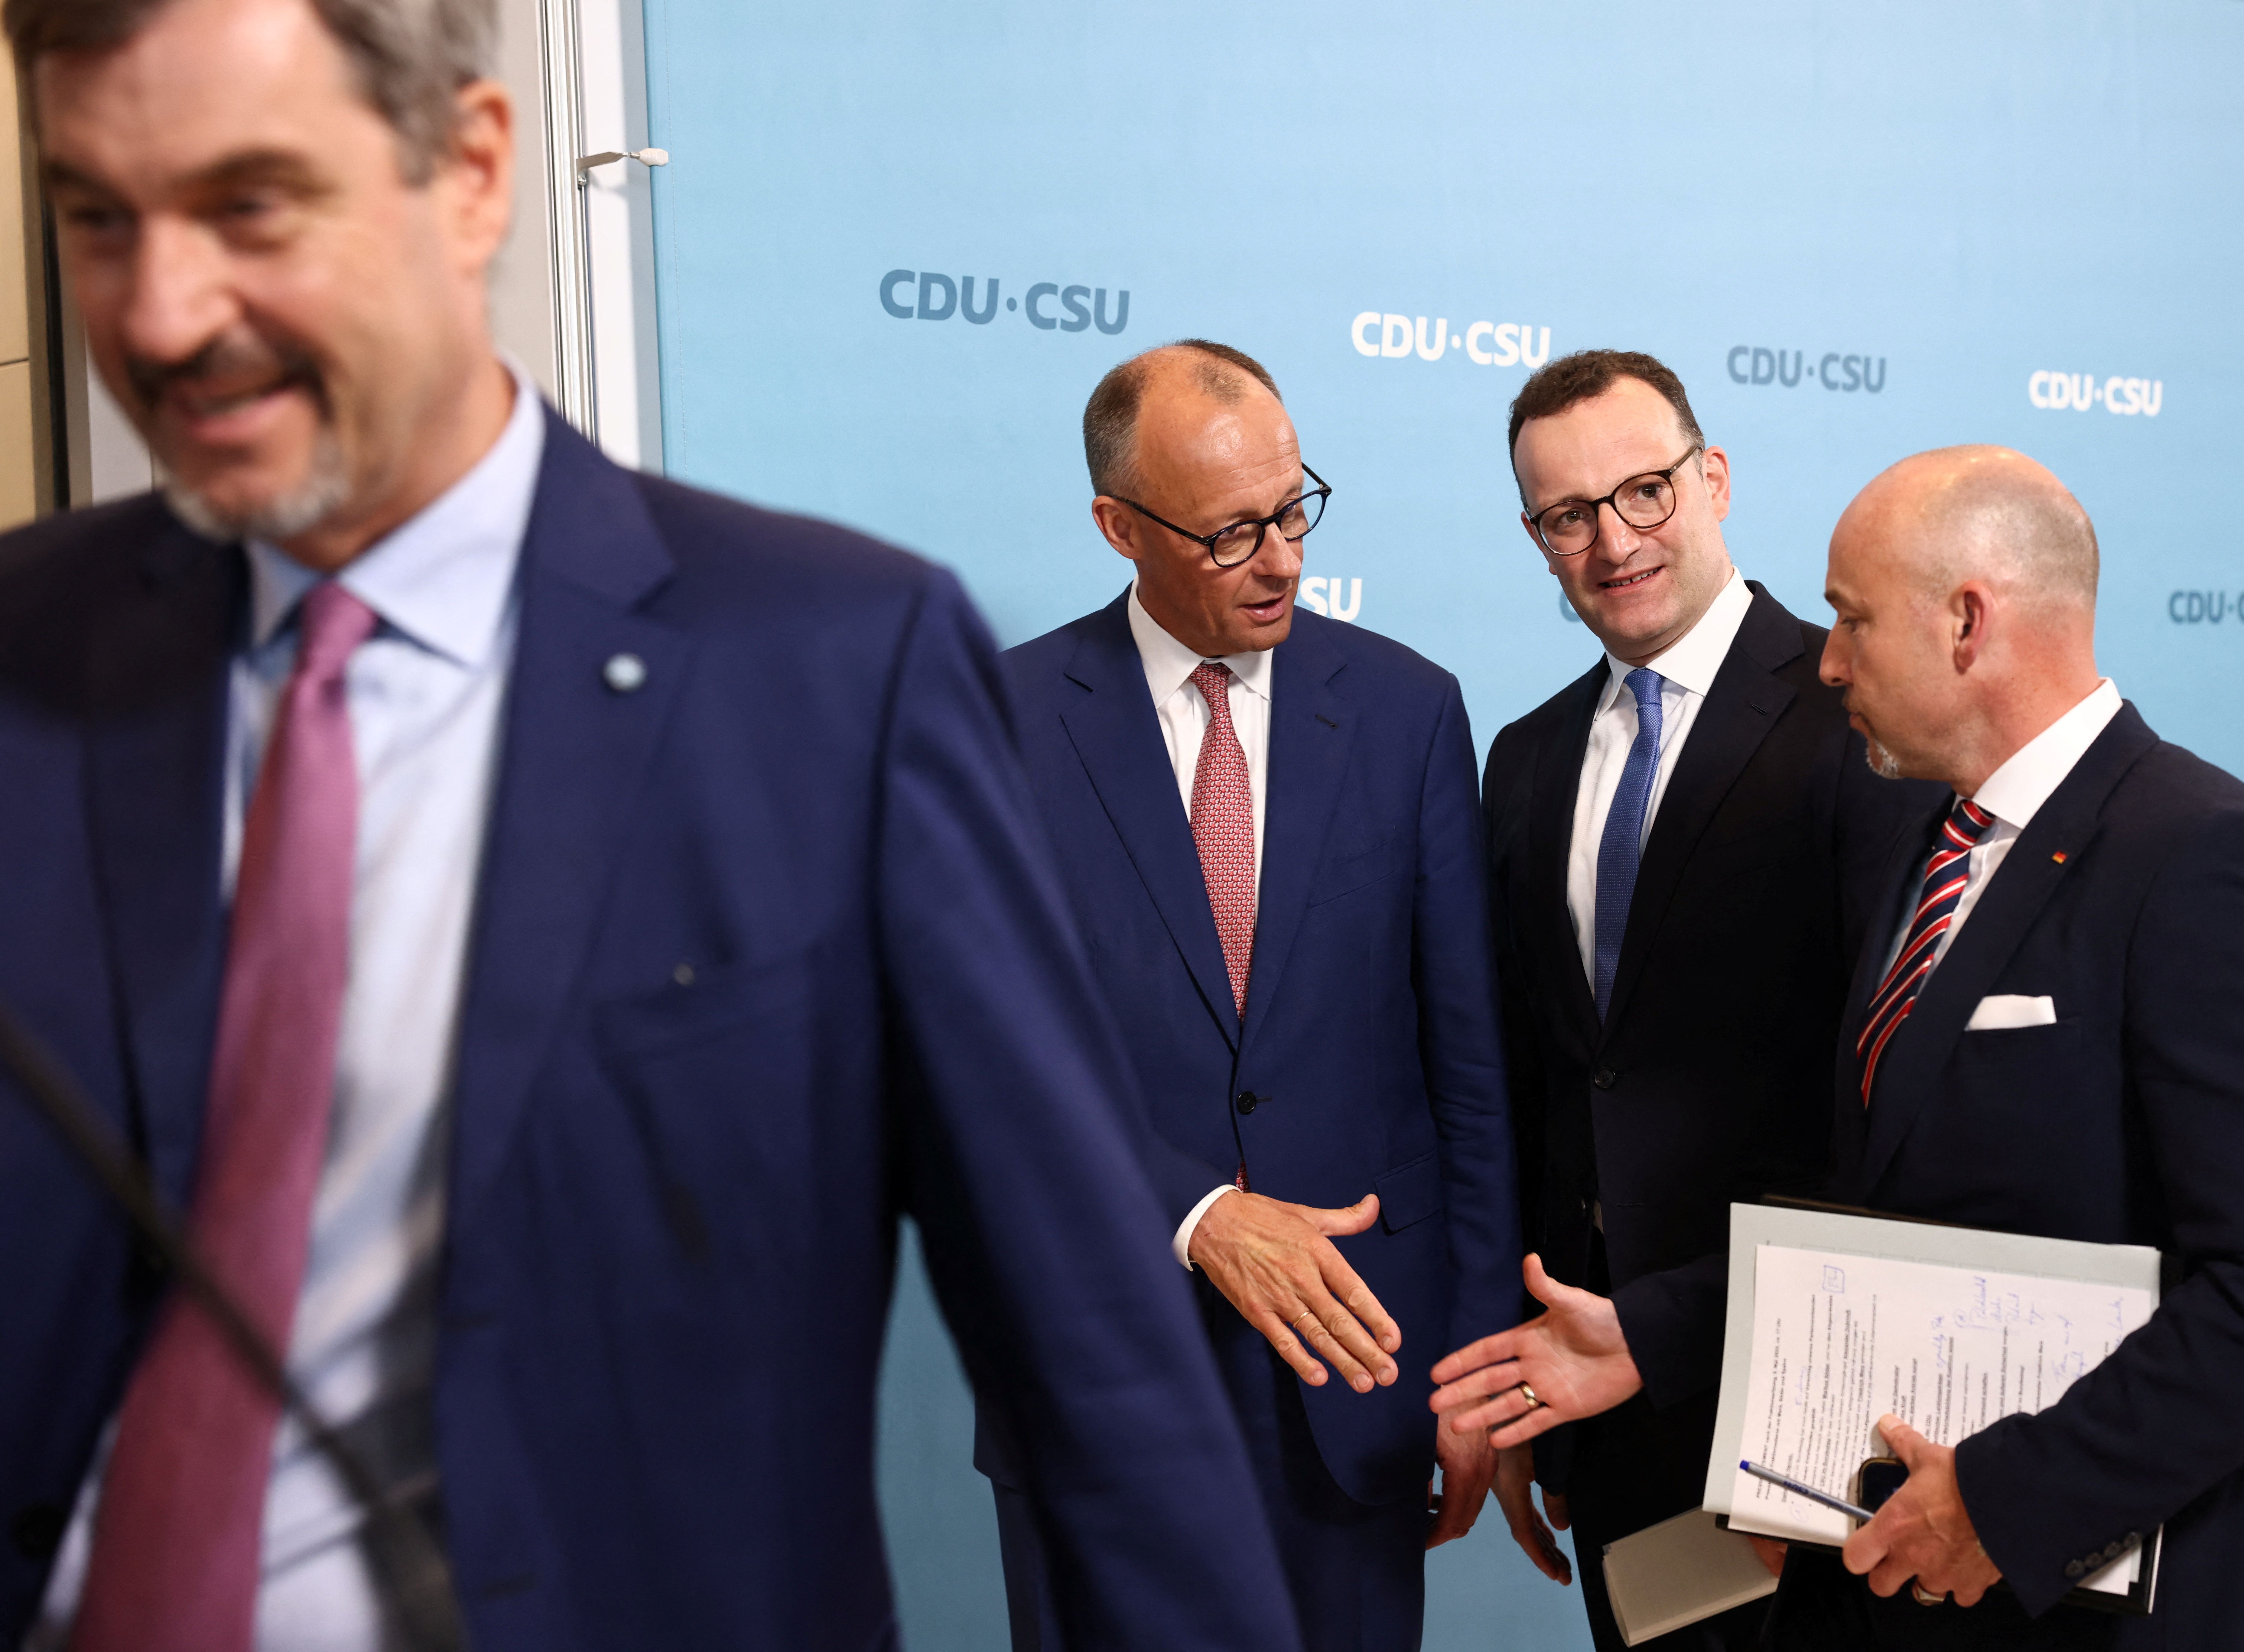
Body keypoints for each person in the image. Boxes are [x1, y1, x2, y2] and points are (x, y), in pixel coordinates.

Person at [0, 2, 1301, 1648]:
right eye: (99, 216)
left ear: (472, 169)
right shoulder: (19, 659)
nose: (165, 313)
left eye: (252, 206)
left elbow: (1096, 1359)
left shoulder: (837, 670)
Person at [1435, 446, 2244, 1649]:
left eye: (1847, 620)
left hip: (2136, 1599)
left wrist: (1998, 1502)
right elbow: (1907, 1223)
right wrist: (1659, 1340)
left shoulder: (2203, 859)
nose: (1823, 663)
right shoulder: (1935, 850)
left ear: (1965, 623)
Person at [985, 341, 1522, 1652]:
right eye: (1230, 534)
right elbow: (981, 1067)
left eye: (1293, 508)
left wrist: (1475, 1375)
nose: (1281, 557)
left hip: (1358, 1380)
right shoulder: (995, 723)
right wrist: (1193, 1210)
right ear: (1119, 527)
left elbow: (1467, 1079)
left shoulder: (1408, 712)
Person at [1465, 350, 1927, 1649]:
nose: (1612, 540)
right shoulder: (1526, 754)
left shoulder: (1858, 716)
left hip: (1815, 1379)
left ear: (1710, 479)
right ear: (1535, 537)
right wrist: (1518, 1377)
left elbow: (1899, 1098)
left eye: (1644, 491)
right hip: (1595, 1390)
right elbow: (1534, 1076)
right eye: (1568, 515)